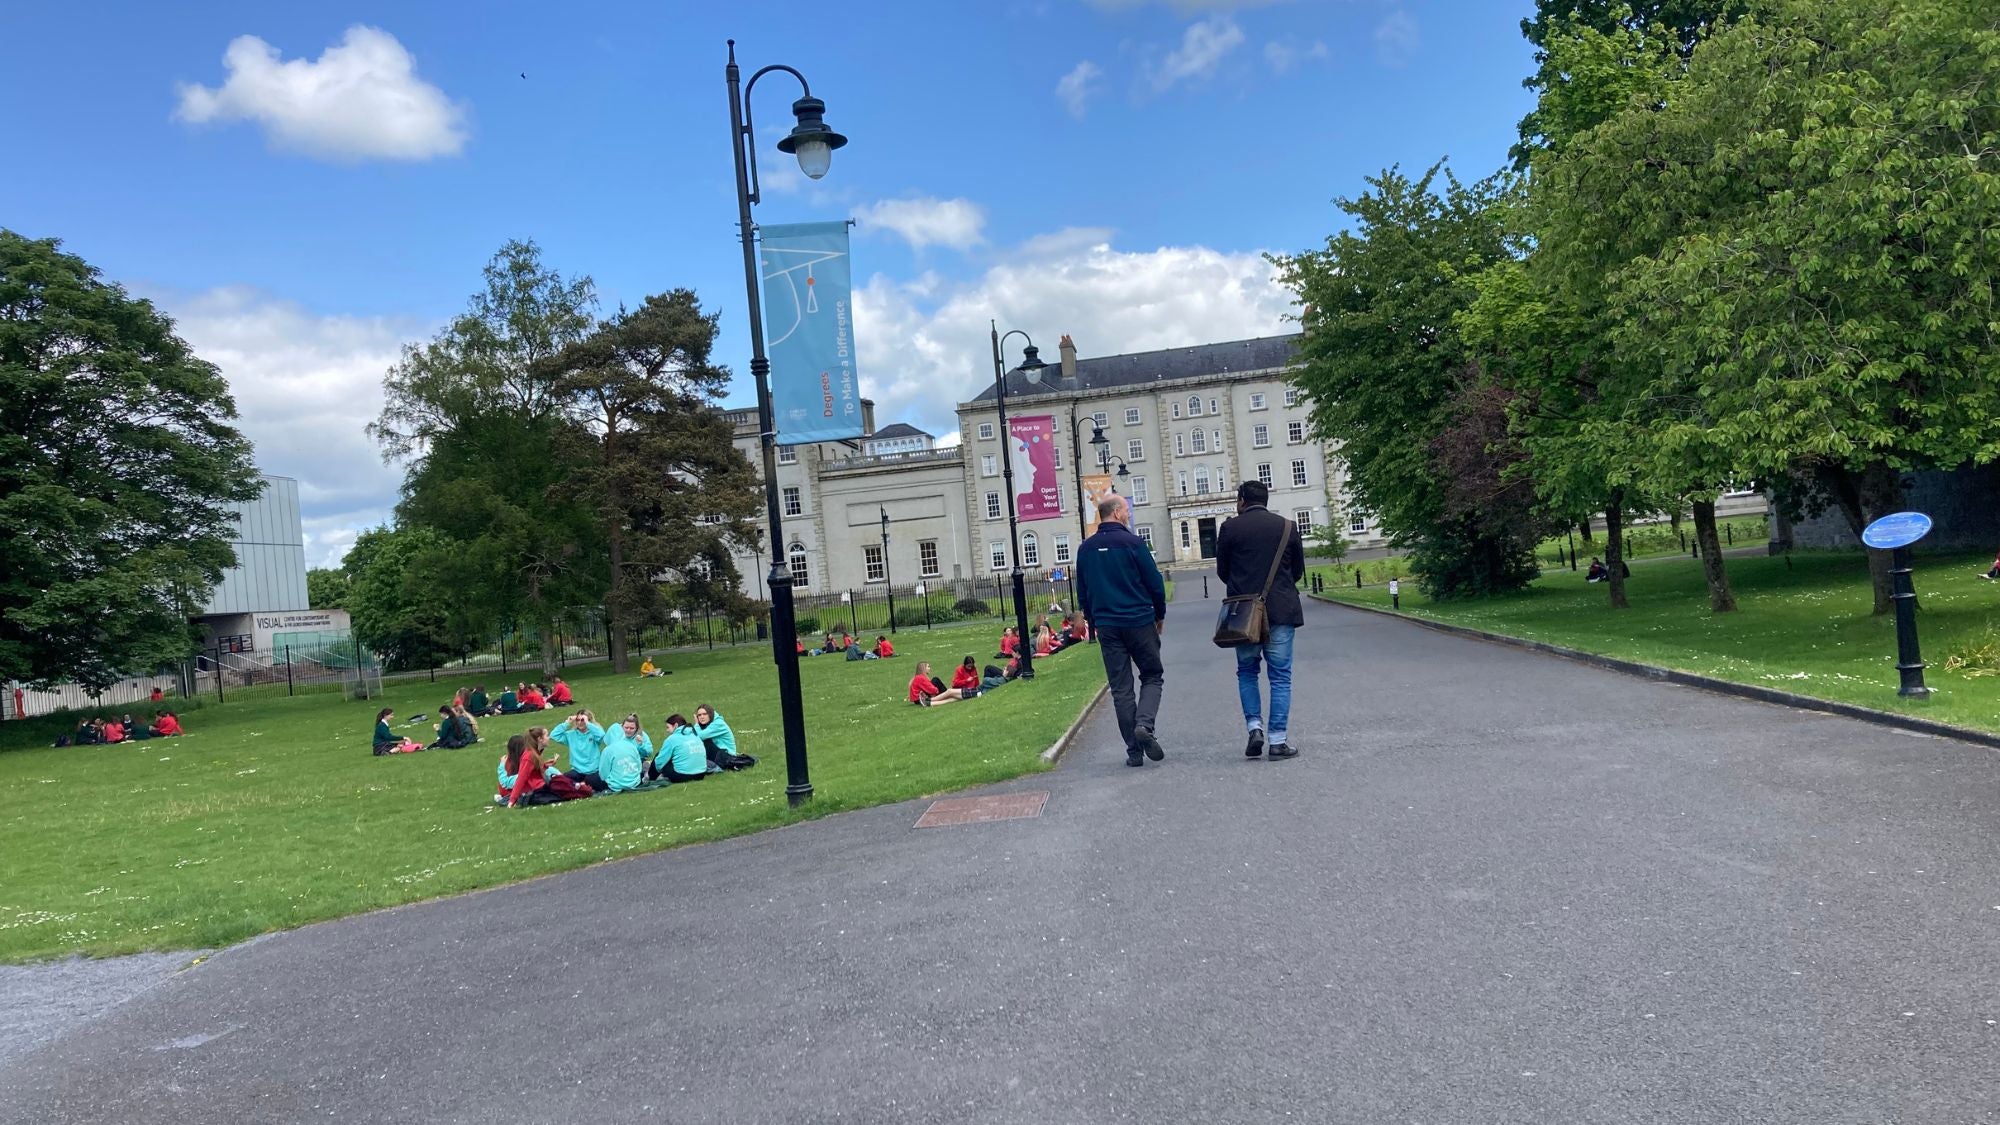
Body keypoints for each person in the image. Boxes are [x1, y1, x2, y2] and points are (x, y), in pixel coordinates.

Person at [1216, 480, 1307, 761]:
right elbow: (1297, 571)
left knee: (1247, 671)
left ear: (1242, 500)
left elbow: (1223, 571)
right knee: (1280, 676)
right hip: (1280, 609)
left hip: (1244, 613)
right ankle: (1278, 741)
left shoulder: (1230, 528)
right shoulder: (1288, 527)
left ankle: (1254, 727)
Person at [1077, 493, 1168, 767]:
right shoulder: (1133, 543)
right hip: (1139, 619)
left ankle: (1133, 751)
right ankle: (1144, 725)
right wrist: (1159, 614)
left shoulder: (1086, 549)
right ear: (1116, 512)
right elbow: (1154, 583)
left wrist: (1093, 621)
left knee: (1121, 688)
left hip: (1107, 624)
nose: (1128, 514)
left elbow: (1083, 591)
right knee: (1152, 675)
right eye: (1126, 510)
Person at [504, 732, 594, 806]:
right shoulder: (529, 756)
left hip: (541, 788)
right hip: (537, 791)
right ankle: (581, 788)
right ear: (540, 739)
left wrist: (545, 765)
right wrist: (512, 800)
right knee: (561, 786)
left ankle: (580, 787)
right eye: (546, 735)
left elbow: (535, 769)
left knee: (562, 784)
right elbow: (521, 778)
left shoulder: (535, 753)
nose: (549, 737)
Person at [549, 711, 608, 790]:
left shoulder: (593, 733)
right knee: (563, 780)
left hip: (593, 770)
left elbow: (602, 735)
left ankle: (581, 786)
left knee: (592, 780)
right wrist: (567, 722)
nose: (580, 722)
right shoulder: (571, 734)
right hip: (577, 771)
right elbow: (554, 735)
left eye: (582, 720)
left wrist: (588, 724)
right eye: (577, 720)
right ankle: (581, 786)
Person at [597, 714, 651, 793]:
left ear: (636, 729)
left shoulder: (641, 737)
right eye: (626, 727)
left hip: (635, 762)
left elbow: (648, 752)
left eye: (631, 728)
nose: (628, 730)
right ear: (622, 727)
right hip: (622, 765)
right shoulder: (615, 733)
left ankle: (645, 771)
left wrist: (641, 745)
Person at [650, 713, 710, 783]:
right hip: (701, 774)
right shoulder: (695, 735)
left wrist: (655, 771)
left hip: (683, 776)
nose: (667, 730)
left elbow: (659, 762)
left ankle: (649, 779)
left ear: (675, 725)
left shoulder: (672, 739)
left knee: (659, 756)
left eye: (668, 727)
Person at [691, 705, 753, 769]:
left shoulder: (718, 724)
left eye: (704, 714)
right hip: (719, 754)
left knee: (705, 742)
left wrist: (696, 725)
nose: (702, 717)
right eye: (699, 715)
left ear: (710, 714)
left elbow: (700, 736)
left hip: (727, 757)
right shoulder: (708, 724)